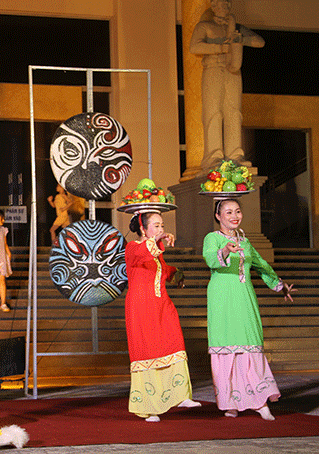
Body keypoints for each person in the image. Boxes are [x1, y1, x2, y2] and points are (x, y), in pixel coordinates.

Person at [203, 199, 295, 420]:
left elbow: (262, 265)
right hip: (221, 298)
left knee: (250, 345)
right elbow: (209, 259)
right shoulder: (212, 238)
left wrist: (280, 286)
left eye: (237, 211)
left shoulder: (246, 242)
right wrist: (225, 249)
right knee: (226, 349)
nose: (234, 216)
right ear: (218, 216)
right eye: (228, 212)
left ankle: (259, 401)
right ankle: (230, 402)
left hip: (244, 297)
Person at [124, 211, 201, 422]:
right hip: (141, 306)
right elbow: (143, 252)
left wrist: (177, 274)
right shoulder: (132, 248)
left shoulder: (156, 252)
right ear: (143, 229)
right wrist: (158, 240)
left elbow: (162, 270)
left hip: (161, 304)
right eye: (156, 226)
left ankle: (181, 395)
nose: (161, 229)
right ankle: (149, 407)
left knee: (174, 341)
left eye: (162, 225)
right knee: (147, 350)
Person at [190, 0, 265, 171]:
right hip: (213, 68)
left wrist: (240, 39)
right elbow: (194, 46)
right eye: (219, 4)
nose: (223, 7)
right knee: (213, 112)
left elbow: (259, 42)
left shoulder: (236, 26)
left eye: (226, 4)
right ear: (213, 7)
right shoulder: (205, 26)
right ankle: (213, 157)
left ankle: (235, 155)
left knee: (234, 111)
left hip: (233, 70)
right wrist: (222, 47)